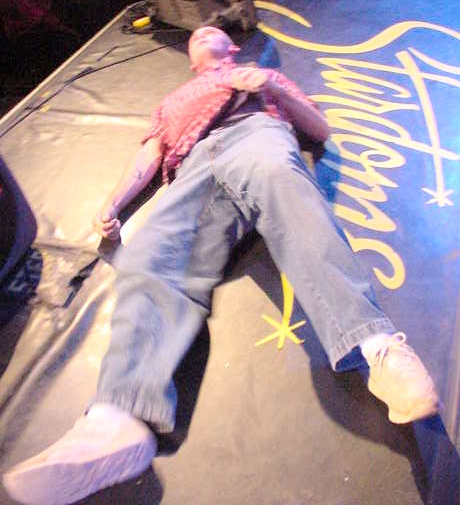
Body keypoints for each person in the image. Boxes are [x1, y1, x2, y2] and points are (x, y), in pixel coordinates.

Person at [3, 26, 439, 505]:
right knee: (150, 253)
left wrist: (270, 88)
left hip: (256, 135)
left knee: (285, 187)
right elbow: (149, 156)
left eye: (214, 29)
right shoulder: (173, 102)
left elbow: (318, 129)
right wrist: (114, 204)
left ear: (232, 47)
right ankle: (117, 420)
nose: (203, 32)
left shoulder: (262, 75)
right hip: (191, 166)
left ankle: (376, 347)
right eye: (196, 34)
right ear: (193, 60)